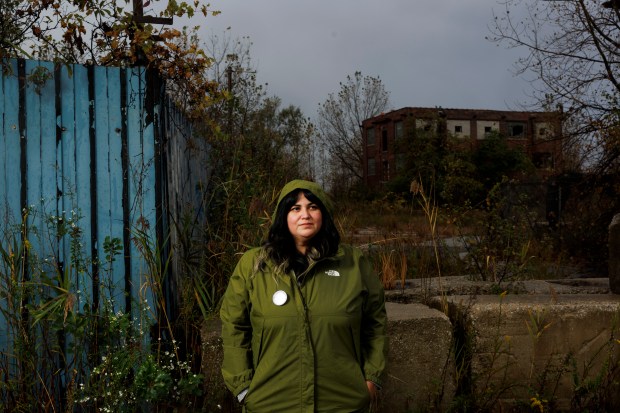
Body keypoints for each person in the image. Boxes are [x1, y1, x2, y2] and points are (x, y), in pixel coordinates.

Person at [220, 179, 387, 412]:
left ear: (323, 214)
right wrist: (243, 387)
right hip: (271, 402)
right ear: (283, 216)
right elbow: (233, 326)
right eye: (295, 208)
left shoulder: (353, 262)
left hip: (342, 401)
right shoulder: (253, 265)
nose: (305, 215)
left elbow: (375, 322)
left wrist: (371, 379)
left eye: (313, 207)